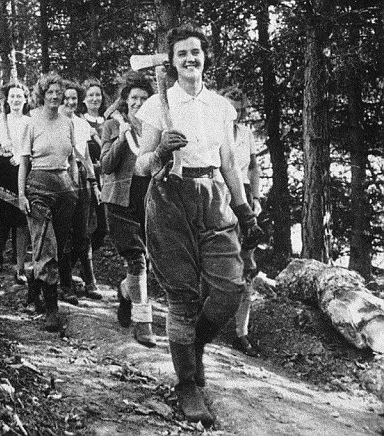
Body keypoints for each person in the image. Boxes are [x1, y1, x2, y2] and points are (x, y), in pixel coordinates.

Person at [134, 25, 263, 426]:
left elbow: (228, 163)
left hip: (213, 197)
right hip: (170, 198)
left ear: (205, 57)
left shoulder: (221, 107)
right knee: (183, 297)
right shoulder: (158, 105)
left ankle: (195, 346)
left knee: (229, 287)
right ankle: (187, 384)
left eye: (196, 52)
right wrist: (159, 151)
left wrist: (245, 212)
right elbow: (141, 165)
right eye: (182, 54)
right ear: (171, 63)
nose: (191, 59)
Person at [18, 73, 79, 332]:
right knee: (45, 245)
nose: (55, 97)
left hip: (65, 186)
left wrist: (74, 185)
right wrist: (21, 194)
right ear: (42, 95)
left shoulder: (67, 122)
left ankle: (34, 290)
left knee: (60, 244)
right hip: (38, 185)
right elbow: (23, 162)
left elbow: (73, 157)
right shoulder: (31, 122)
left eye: (59, 93)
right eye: (50, 92)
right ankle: (52, 309)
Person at [100, 71, 155, 347]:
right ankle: (143, 322)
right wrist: (122, 137)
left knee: (145, 261)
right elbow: (106, 165)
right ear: (126, 99)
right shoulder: (112, 124)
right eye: (134, 97)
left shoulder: (155, 126)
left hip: (147, 199)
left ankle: (125, 290)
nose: (138, 102)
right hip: (118, 200)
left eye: (144, 98)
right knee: (137, 260)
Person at [221, 87, 263, 357]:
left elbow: (253, 167)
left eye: (238, 109)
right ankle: (206, 321)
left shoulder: (246, 134)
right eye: (230, 108)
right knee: (218, 258)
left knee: (247, 264)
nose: (234, 114)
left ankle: (241, 332)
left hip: (244, 198)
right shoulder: (212, 130)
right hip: (219, 195)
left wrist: (256, 198)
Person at [58, 81, 102, 300]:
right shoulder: (53, 122)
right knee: (64, 234)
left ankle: (90, 281)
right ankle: (65, 285)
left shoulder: (82, 123)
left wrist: (93, 184)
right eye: (66, 98)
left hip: (82, 180)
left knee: (83, 233)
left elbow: (85, 156)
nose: (70, 102)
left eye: (74, 98)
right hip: (61, 178)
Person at [0, 82, 31, 285]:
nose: (15, 100)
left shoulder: (30, 122)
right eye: (12, 96)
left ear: (25, 99)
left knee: (21, 220)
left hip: (23, 170)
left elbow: (31, 148)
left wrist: (21, 158)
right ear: (7, 99)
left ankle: (20, 266)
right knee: (2, 217)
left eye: (19, 96)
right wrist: (2, 144)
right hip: (3, 168)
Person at [81, 79, 109, 252]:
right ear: (84, 99)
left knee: (103, 220)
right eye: (90, 95)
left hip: (106, 172)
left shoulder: (108, 120)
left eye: (97, 94)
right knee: (86, 215)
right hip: (87, 173)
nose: (94, 98)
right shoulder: (80, 120)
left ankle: (95, 247)